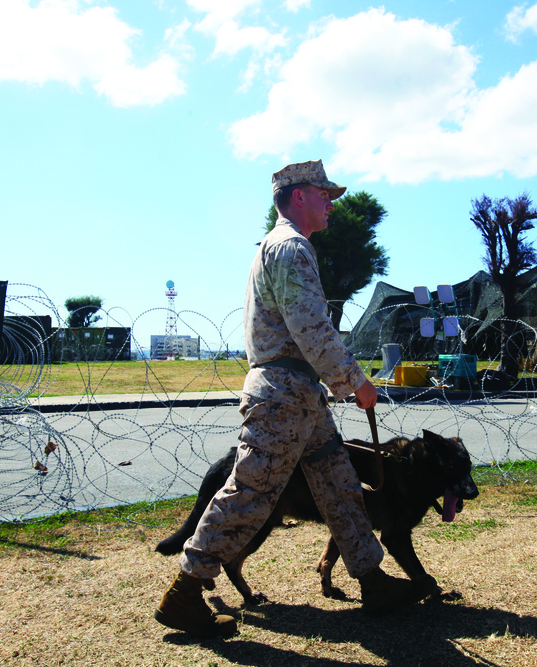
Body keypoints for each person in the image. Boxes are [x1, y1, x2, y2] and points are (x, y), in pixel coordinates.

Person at [154, 160, 428, 638]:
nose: (331, 202)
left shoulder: (281, 248)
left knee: (341, 486)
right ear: (298, 195)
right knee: (251, 491)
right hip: (284, 394)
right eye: (324, 194)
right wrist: (355, 380)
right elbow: (310, 327)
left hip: (299, 394)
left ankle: (372, 580)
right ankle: (186, 590)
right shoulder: (291, 247)